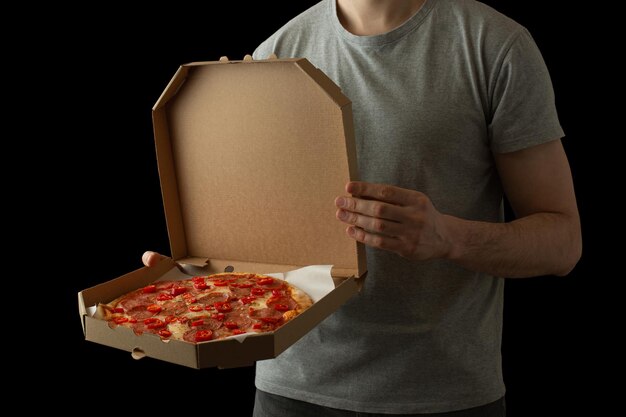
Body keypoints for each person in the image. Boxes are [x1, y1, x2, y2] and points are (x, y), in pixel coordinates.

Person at [143, 0, 581, 415]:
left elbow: (563, 245)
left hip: (444, 396)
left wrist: (448, 238)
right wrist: (192, 293)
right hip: (290, 394)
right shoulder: (276, 51)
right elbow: (260, 249)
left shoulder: (493, 44)